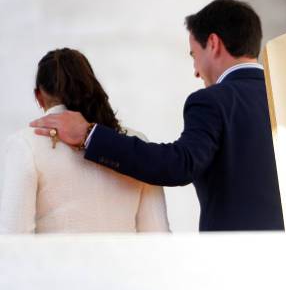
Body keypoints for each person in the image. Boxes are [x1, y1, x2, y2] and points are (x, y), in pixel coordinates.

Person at [29, 0, 284, 231]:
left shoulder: (212, 101)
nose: (196, 71)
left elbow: (179, 164)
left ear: (214, 44)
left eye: (194, 55)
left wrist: (89, 134)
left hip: (234, 260)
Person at [1, 48, 169, 233]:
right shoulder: (136, 142)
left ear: (39, 96)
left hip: (57, 263)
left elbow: (13, 235)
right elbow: (157, 235)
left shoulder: (26, 144)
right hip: (123, 263)